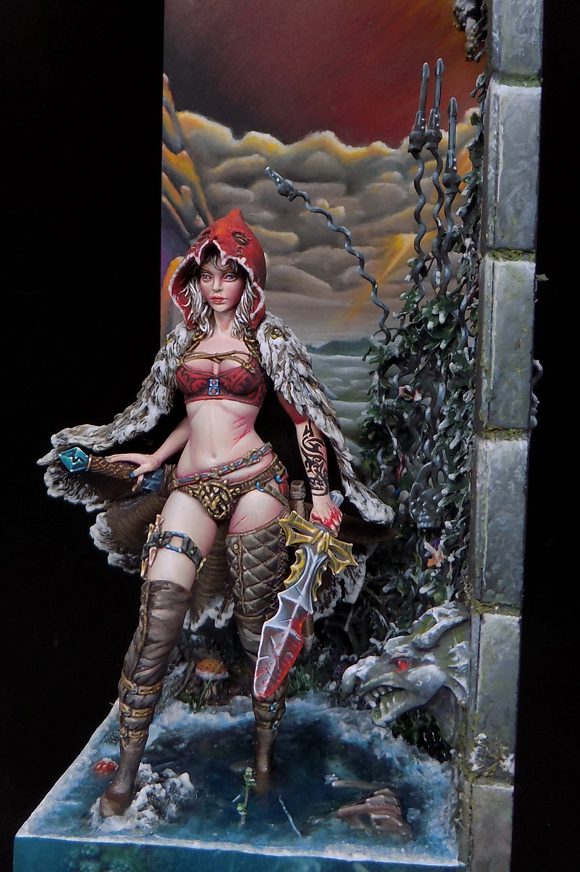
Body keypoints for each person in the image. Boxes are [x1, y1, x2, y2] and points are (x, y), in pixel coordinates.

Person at [41, 210, 393, 815]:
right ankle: (123, 775)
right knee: (156, 622)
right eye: (206, 275)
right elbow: (192, 412)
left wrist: (320, 495)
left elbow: (304, 422)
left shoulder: (270, 340)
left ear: (248, 279)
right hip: (193, 482)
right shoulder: (184, 340)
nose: (216, 286)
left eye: (228, 275)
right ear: (194, 280)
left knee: (258, 630)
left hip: (256, 479)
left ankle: (264, 757)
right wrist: (155, 454)